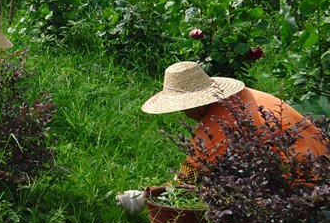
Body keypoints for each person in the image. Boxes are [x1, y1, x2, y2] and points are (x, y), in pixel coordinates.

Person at [117, 61, 328, 213]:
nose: (183, 113)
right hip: (323, 163)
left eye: (183, 108)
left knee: (220, 179)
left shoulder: (214, 129)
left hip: (305, 187)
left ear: (195, 103)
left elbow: (186, 181)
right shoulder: (248, 96)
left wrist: (144, 197)